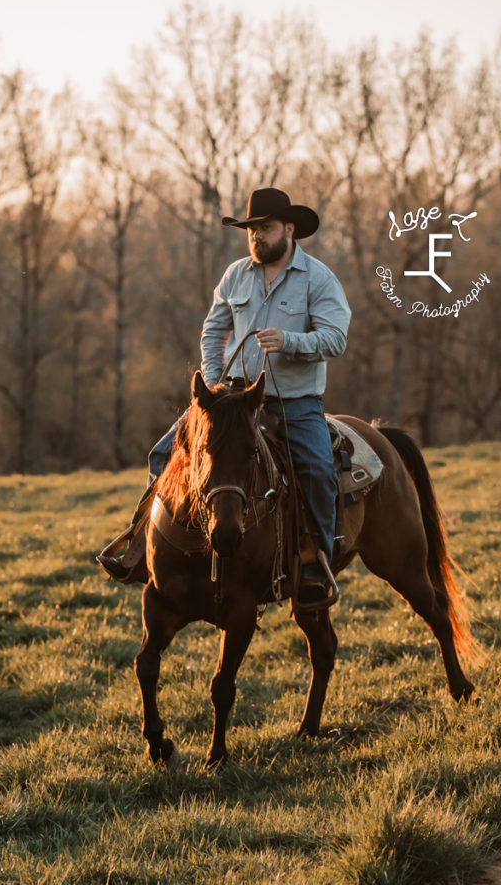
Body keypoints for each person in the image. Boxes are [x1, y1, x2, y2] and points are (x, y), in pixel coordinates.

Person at [98, 187, 351, 600]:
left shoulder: (319, 279)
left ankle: (315, 566)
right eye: (251, 230)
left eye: (265, 229)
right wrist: (213, 388)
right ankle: (140, 545)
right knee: (163, 453)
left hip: (295, 403)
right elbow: (213, 331)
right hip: (231, 400)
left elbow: (336, 339)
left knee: (319, 473)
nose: (256, 237)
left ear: (290, 229)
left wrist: (289, 341)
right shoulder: (236, 275)